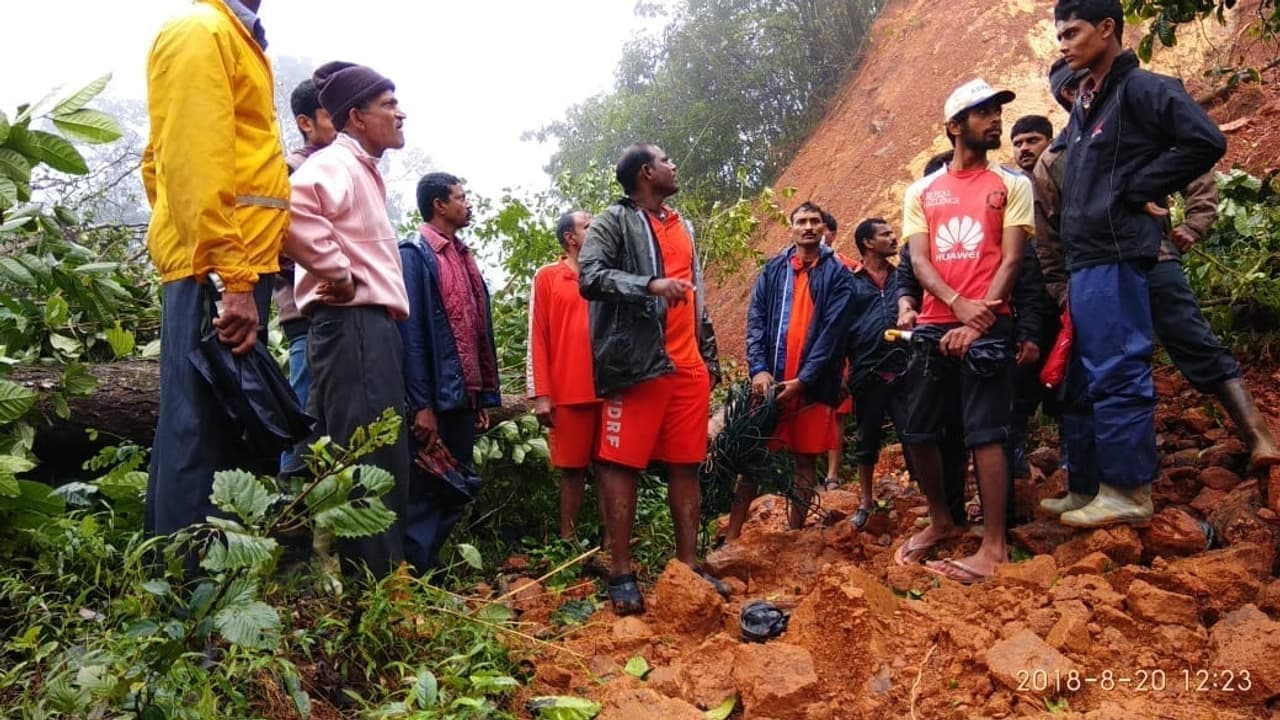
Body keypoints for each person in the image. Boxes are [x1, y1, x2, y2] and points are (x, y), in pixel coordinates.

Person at [1033, 60, 1277, 518]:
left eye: (1082, 84)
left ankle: (1257, 433)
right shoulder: (1054, 159)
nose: (1078, 93)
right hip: (1092, 277)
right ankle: (1098, 483)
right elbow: (1048, 237)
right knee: (1093, 375)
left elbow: (1193, 164)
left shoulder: (1126, 125)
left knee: (1192, 340)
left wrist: (1195, 223)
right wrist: (1062, 290)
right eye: (1069, 89)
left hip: (1153, 258)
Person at [1049, 0, 1228, 527]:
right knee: (1087, 375)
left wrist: (1140, 186)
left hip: (1117, 253)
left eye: (1073, 32)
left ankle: (1128, 491)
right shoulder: (1087, 101)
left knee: (1118, 370)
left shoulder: (1144, 89)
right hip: (1086, 260)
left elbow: (1206, 140)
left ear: (1107, 29)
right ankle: (1093, 487)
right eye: (1059, 34)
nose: (1063, 43)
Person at [142, 0, 291, 538]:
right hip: (219, 270)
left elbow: (160, 164)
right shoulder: (201, 31)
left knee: (210, 427)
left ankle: (187, 583)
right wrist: (227, 273)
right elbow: (187, 162)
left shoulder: (237, 37)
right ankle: (192, 596)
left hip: (228, 261)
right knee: (202, 432)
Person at [578, 143, 725, 615]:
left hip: (687, 367)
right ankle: (621, 571)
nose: (674, 164)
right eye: (666, 160)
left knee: (686, 465)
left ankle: (687, 567)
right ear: (646, 172)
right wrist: (648, 285)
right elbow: (591, 277)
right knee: (622, 465)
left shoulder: (684, 224)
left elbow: (696, 291)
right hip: (637, 365)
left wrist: (708, 354)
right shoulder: (612, 221)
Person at [896, 78, 1033, 583]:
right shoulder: (922, 192)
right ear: (955, 127)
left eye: (997, 111)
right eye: (982, 113)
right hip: (937, 323)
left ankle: (994, 547)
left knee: (987, 431)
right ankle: (942, 521)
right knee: (917, 430)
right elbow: (919, 260)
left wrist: (982, 320)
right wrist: (956, 306)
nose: (995, 119)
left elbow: (1012, 258)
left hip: (991, 324)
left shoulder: (1013, 184)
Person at [284, 61, 410, 578]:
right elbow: (289, 209)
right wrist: (336, 273)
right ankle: (379, 590)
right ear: (356, 117)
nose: (400, 113)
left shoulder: (361, 168)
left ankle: (375, 581)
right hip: (353, 324)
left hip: (368, 326)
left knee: (377, 452)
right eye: (388, 104)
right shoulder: (335, 162)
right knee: (371, 458)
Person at [727, 202, 853, 540]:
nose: (809, 226)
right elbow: (755, 323)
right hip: (771, 383)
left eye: (815, 221)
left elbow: (833, 332)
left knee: (805, 460)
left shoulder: (838, 273)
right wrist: (758, 369)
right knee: (752, 458)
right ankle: (732, 537)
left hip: (811, 386)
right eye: (802, 221)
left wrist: (804, 380)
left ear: (824, 228)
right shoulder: (773, 270)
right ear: (791, 227)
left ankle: (794, 536)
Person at [398, 172, 501, 573]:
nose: (468, 203)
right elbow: (414, 335)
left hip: (462, 397)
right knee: (430, 487)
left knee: (457, 484)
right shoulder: (415, 254)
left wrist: (480, 396)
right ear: (440, 205)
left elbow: (475, 329)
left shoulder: (462, 255)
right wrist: (422, 405)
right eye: (461, 197)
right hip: (434, 402)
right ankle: (413, 571)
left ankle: (421, 566)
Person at [528, 210, 602, 540]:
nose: (596, 228)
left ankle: (613, 542)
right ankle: (567, 541)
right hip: (568, 392)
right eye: (588, 226)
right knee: (572, 472)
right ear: (571, 238)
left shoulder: (606, 275)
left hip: (610, 390)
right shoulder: (547, 277)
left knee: (611, 469)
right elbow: (537, 337)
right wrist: (541, 394)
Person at [276, 78, 337, 478]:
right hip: (307, 314)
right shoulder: (295, 169)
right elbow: (279, 242)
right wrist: (329, 270)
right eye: (331, 114)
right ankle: (288, 509)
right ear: (306, 122)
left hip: (337, 313)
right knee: (306, 413)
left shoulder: (340, 167)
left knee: (333, 416)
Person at [844, 218, 910, 530]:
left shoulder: (904, 277)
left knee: (914, 432)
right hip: (866, 371)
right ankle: (865, 502)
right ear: (868, 243)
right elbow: (837, 327)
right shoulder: (850, 282)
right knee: (866, 438)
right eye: (885, 234)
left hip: (905, 368)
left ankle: (925, 497)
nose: (893, 237)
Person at [820, 210, 855, 489]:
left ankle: (832, 474)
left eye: (823, 228)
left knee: (837, 412)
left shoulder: (849, 267)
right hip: (807, 348)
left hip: (840, 348)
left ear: (832, 233)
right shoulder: (790, 267)